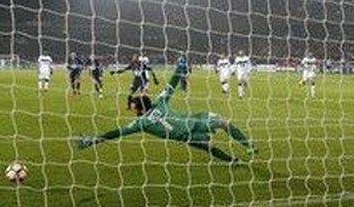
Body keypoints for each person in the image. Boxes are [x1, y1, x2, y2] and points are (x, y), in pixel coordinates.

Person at [76, 56, 257, 164]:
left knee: (211, 144)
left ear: (139, 109)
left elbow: (117, 132)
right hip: (191, 126)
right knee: (221, 127)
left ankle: (239, 155)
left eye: (133, 107)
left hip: (189, 130)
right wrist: (179, 68)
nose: (132, 109)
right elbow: (172, 83)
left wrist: (94, 140)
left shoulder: (142, 123)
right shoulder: (158, 103)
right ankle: (242, 153)